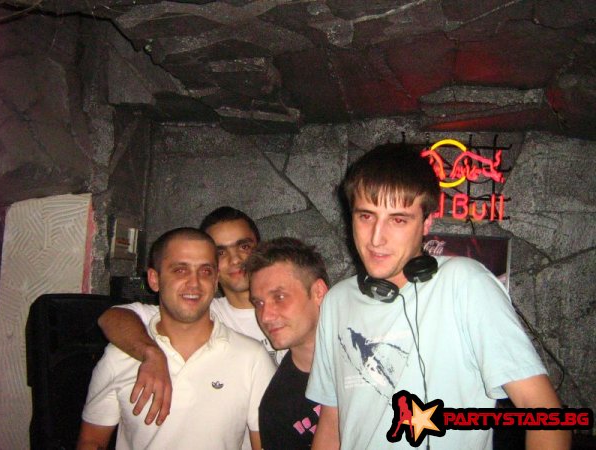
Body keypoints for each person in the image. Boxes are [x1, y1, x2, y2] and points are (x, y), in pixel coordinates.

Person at [306, 144, 570, 449]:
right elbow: (332, 422)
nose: (376, 238)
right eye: (366, 216)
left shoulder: (466, 284)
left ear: (427, 222)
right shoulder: (336, 302)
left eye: (398, 220)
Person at [77, 227, 275, 450]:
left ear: (215, 281)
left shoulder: (251, 357)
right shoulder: (121, 354)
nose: (194, 283)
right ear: (154, 279)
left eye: (206, 271)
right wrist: (151, 355)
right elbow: (92, 441)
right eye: (180, 270)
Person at [245, 237, 329, 450]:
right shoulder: (277, 406)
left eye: (279, 297)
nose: (265, 316)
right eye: (259, 303)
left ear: (318, 292)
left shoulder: (371, 356)